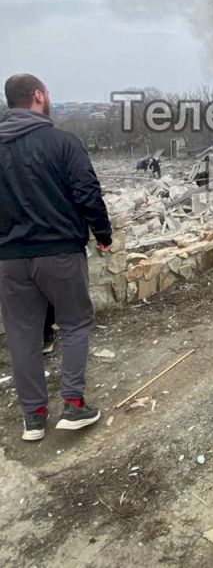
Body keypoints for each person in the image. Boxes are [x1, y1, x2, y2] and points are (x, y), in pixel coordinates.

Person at [0, 74, 112, 440]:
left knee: (23, 336)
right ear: (38, 95)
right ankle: (74, 405)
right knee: (76, 323)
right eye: (46, 93)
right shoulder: (63, 143)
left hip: (10, 259)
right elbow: (87, 192)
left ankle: (33, 418)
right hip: (60, 252)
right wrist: (103, 235)